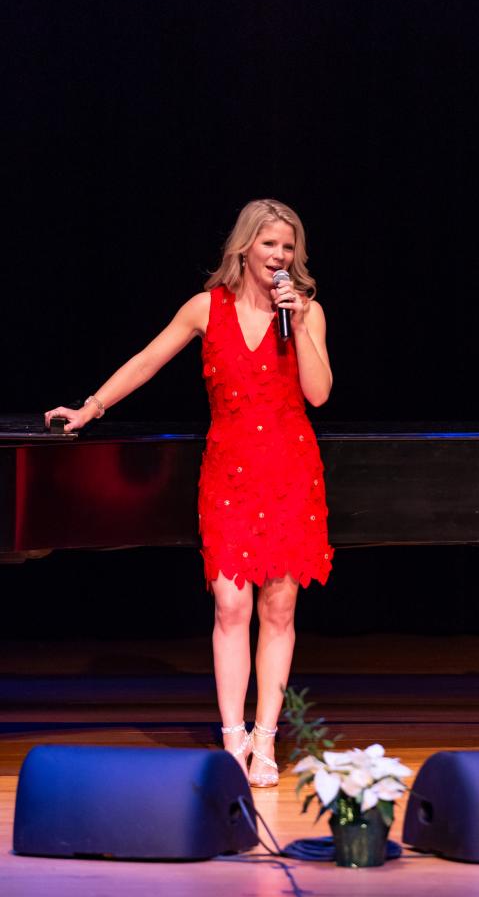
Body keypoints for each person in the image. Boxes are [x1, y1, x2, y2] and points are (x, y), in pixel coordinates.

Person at [45, 198, 334, 787]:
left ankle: (265, 740)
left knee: (279, 608)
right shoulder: (207, 307)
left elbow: (319, 392)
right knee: (232, 606)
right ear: (245, 247)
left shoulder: (306, 313)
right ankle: (231, 739)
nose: (279, 256)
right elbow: (148, 360)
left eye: (288, 247)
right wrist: (91, 407)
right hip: (229, 472)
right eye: (269, 245)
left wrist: (300, 325)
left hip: (288, 472)